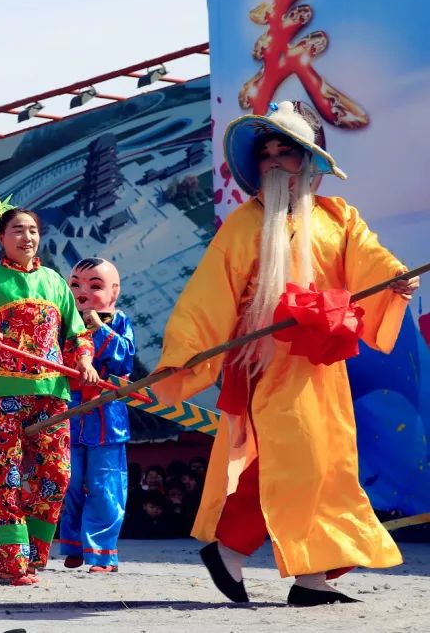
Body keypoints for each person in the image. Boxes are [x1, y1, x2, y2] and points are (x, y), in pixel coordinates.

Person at [153, 101, 420, 606]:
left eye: (286, 150)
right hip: (266, 365)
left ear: (310, 160)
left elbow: (373, 264)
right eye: (267, 152)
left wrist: (394, 281)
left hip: (323, 366)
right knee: (294, 461)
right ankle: (233, 549)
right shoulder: (243, 224)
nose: (274, 160)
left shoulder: (339, 218)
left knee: (327, 465)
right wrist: (186, 351)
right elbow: (208, 294)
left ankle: (307, 579)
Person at [0, 195, 97, 585]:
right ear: (1, 237)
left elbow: (76, 334)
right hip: (2, 392)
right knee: (6, 474)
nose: (27, 237)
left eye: (32, 230)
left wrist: (83, 360)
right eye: (18, 230)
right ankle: (10, 563)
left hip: (50, 390)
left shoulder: (54, 282)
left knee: (57, 474)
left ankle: (33, 552)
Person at [57, 258, 136, 573]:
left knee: (105, 485)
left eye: (94, 285)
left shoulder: (119, 320)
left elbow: (125, 359)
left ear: (113, 291)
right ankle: (74, 545)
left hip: (107, 415)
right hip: (69, 411)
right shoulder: (63, 322)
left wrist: (99, 327)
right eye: (75, 284)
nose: (82, 292)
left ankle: (102, 553)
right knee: (70, 481)